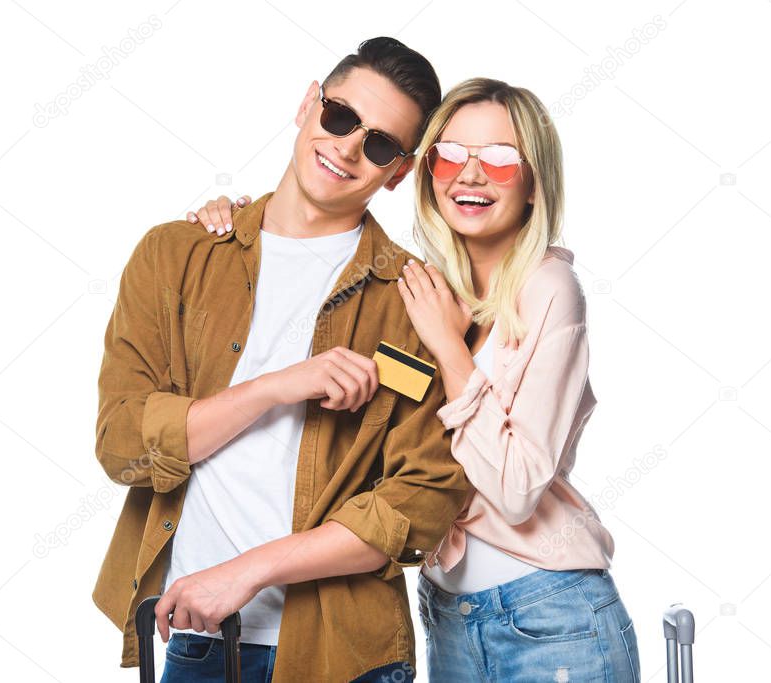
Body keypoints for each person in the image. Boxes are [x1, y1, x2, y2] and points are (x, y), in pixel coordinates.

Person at [190, 78, 641, 681]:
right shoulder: (424, 287)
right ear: (426, 172)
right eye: (451, 155)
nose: (471, 176)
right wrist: (248, 225)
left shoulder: (548, 290)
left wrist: (450, 349)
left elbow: (516, 488)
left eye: (501, 161)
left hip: (549, 612)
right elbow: (398, 411)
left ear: (535, 182)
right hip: (448, 612)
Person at [91, 37, 472, 683]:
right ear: (307, 105)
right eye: (340, 116)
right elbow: (122, 443)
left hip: (343, 651)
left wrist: (247, 569)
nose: (348, 147)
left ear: (401, 170)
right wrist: (274, 387)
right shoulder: (177, 255)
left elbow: (420, 501)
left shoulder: (417, 302)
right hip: (194, 637)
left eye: (379, 143)